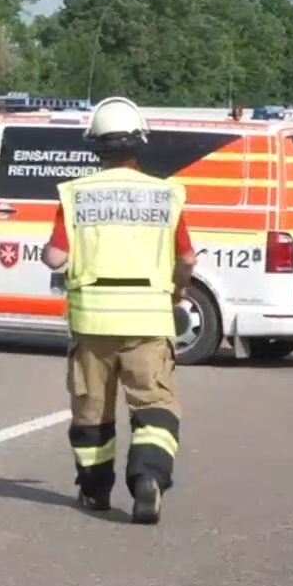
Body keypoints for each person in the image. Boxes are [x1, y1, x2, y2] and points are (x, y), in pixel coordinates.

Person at [41, 96, 197, 525]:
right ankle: (148, 478)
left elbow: (55, 258)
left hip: (92, 322)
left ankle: (94, 493)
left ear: (96, 146)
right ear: (139, 144)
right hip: (148, 321)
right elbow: (187, 259)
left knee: (92, 412)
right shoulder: (167, 195)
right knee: (154, 407)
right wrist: (178, 290)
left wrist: (47, 251)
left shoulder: (75, 195)